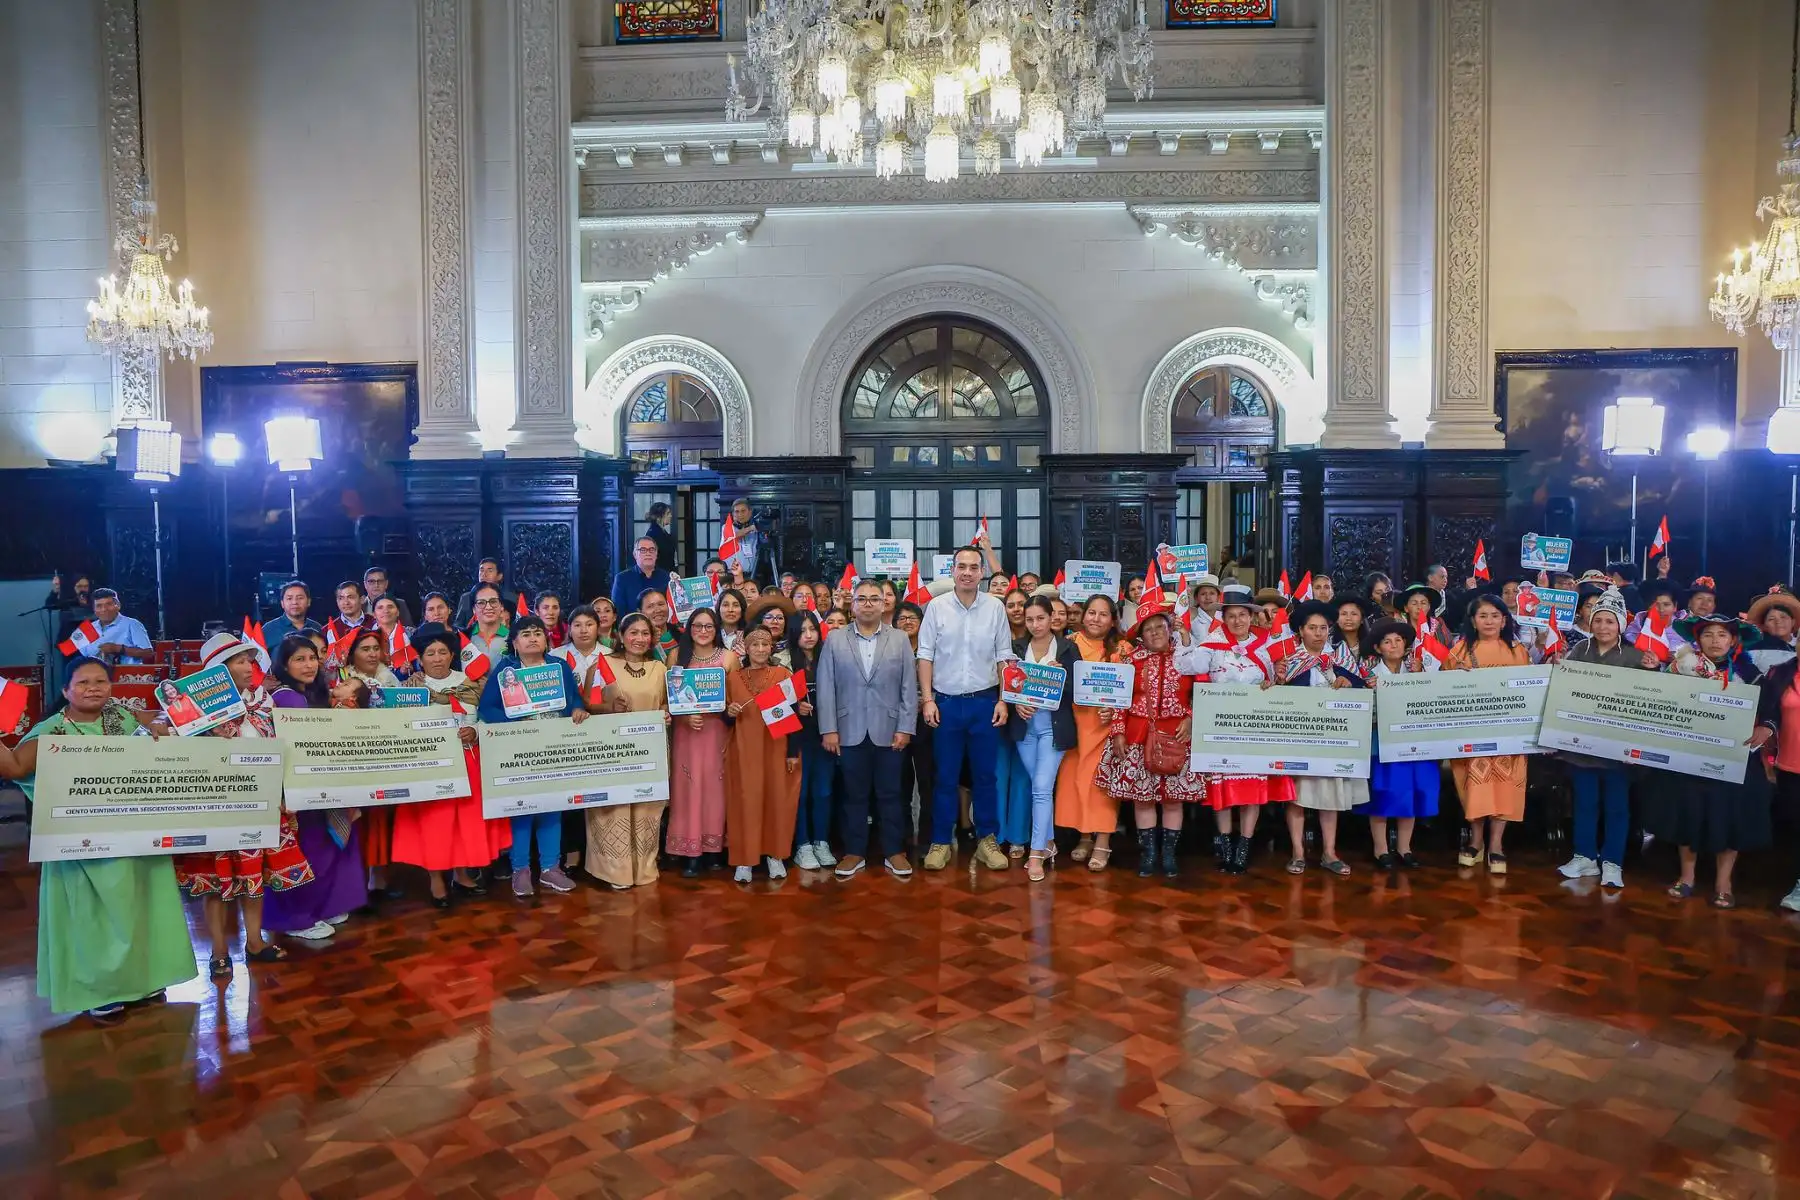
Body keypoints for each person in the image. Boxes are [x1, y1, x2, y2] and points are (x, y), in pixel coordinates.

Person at [0, 658, 195, 1019]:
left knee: (143, 906)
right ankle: (100, 990)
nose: (93, 688)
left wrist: (158, 726)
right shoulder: (52, 730)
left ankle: (145, 980)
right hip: (83, 843)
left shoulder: (121, 717)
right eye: (84, 682)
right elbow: (13, 767)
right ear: (66, 691)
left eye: (101, 681)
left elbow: (162, 726)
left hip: (136, 835)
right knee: (93, 917)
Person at [172, 633, 311, 976]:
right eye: (240, 661)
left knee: (254, 876)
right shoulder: (193, 707)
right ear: (218, 671)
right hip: (217, 803)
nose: (250, 667)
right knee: (217, 882)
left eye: (250, 660)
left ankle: (254, 941)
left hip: (261, 800)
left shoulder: (264, 700)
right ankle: (219, 951)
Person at [1640, 613, 1771, 908]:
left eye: (1722, 635)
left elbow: (1771, 708)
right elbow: (1656, 701)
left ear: (1733, 640)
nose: (1715, 641)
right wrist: (1649, 674)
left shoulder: (1751, 675)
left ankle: (1723, 882)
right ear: (1697, 640)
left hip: (1733, 757)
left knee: (1729, 817)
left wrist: (1767, 726)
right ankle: (1687, 876)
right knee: (1687, 812)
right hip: (1689, 756)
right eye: (1708, 634)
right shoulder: (1679, 670)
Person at [1176, 583, 1294, 873]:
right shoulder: (1212, 644)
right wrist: (1184, 638)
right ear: (1224, 617)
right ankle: (1225, 844)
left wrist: (1275, 681)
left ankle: (1245, 845)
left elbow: (1282, 675)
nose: (1237, 621)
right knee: (1224, 787)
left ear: (1251, 616)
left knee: (1251, 787)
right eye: (1231, 615)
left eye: (1243, 615)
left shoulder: (1266, 644)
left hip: (1255, 726)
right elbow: (1184, 667)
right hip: (1220, 727)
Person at [390, 623, 508, 906]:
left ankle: (461, 873)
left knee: (464, 822)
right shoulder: (410, 688)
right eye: (430, 653)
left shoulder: (472, 682)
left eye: (443, 652)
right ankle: (435, 880)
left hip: (469, 760)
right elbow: (397, 726)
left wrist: (475, 731)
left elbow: (490, 715)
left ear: (452, 655)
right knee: (436, 823)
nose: (437, 658)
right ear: (420, 658)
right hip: (429, 764)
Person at [261, 635, 370, 941]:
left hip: (317, 785)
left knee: (323, 849)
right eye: (299, 659)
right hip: (298, 790)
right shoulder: (288, 698)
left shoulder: (309, 693)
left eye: (312, 658)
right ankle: (297, 917)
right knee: (306, 853)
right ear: (284, 664)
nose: (309, 665)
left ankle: (319, 907)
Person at [916, 546, 1014, 873]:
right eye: (962, 566)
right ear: (953, 570)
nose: (968, 572)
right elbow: (925, 655)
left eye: (974, 567)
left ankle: (988, 839)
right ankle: (941, 841)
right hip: (945, 703)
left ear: (983, 572)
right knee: (944, 776)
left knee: (986, 776)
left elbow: (1004, 657)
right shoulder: (937, 608)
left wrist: (1003, 699)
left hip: (986, 702)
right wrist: (928, 699)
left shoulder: (995, 608)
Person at [1553, 588, 1657, 890]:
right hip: (1582, 745)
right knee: (1584, 803)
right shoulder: (1579, 651)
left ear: (1620, 626)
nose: (1603, 627)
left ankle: (1612, 861)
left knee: (1616, 807)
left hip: (1618, 748)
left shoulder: (1637, 656)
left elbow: (1649, 700)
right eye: (1598, 620)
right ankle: (1584, 856)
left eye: (1610, 622)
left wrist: (1654, 671)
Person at [816, 579, 920, 879]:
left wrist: (905, 728)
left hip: (889, 730)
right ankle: (854, 852)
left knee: (891, 793)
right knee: (853, 794)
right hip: (848, 730)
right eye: (862, 599)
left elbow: (907, 688)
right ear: (852, 604)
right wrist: (829, 729)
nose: (868, 604)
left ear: (884, 603)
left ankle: (894, 852)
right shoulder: (835, 640)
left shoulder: (899, 639)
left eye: (875, 599)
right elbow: (825, 688)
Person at [477, 614, 587, 897]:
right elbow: (487, 709)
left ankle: (551, 867)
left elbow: (575, 698)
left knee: (552, 807)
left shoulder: (558, 666)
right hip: (519, 748)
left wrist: (576, 709)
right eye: (525, 634)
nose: (532, 638)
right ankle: (521, 869)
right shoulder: (505, 670)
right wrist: (514, 723)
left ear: (546, 638)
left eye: (537, 632)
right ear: (514, 642)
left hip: (554, 747)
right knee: (522, 810)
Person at [1098, 602, 1206, 879]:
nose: (1156, 632)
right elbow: (1119, 700)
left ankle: (1168, 854)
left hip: (1177, 735)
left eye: (1161, 626)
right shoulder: (1131, 661)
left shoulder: (1188, 658)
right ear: (1141, 635)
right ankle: (1148, 853)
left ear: (1170, 629)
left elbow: (1203, 693)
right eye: (1149, 629)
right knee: (1142, 799)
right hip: (1138, 734)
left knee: (1172, 799)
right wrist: (1118, 731)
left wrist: (1192, 717)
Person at [1271, 600, 1367, 876]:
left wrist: (1348, 683)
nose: (1318, 633)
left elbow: (1360, 686)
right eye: (1312, 628)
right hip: (1298, 737)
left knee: (1330, 795)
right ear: (1300, 630)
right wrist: (1277, 681)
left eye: (1323, 628)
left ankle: (1329, 852)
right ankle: (1298, 853)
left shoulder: (1341, 656)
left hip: (1333, 739)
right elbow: (1276, 695)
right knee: (1298, 796)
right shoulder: (1289, 659)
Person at [1446, 595, 1532, 874]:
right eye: (1483, 615)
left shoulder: (1518, 651)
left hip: (1509, 736)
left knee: (1505, 788)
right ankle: (1476, 841)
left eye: (1495, 615)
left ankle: (1496, 844)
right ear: (1473, 620)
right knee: (1475, 788)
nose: (1489, 621)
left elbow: (1529, 691)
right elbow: (1445, 691)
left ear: (1504, 619)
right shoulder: (1458, 651)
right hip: (1471, 734)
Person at [587, 613, 669, 890]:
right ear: (621, 636)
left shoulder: (660, 667)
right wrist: (608, 708)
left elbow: (669, 704)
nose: (639, 639)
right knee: (616, 808)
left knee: (647, 810)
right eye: (633, 633)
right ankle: (615, 871)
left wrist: (667, 713)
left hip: (650, 751)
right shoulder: (603, 665)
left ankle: (644, 868)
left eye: (645, 633)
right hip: (613, 752)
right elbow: (587, 705)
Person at [1003, 597, 1078, 881]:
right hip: (1025, 730)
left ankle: (1036, 854)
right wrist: (1016, 703)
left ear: (1051, 618)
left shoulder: (1069, 648)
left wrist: (1061, 677)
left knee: (1042, 788)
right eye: (1030, 619)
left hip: (1053, 730)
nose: (1035, 625)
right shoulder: (1016, 648)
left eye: (1040, 618)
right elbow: (1006, 685)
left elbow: (1078, 690)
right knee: (1038, 786)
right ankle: (1048, 843)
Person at [1356, 618, 1439, 868]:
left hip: (1413, 742)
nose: (1394, 645)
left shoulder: (1420, 674)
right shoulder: (1367, 676)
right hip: (1379, 742)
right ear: (1378, 648)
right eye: (1387, 642)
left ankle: (1405, 848)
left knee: (1410, 793)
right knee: (1382, 794)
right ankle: (1380, 849)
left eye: (1399, 640)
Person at [725, 625, 803, 881]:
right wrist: (729, 712)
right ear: (746, 649)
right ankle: (744, 860)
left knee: (777, 800)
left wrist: (793, 752)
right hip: (744, 750)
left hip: (776, 748)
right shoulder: (734, 678)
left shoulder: (782, 674)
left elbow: (794, 715)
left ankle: (776, 856)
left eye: (764, 645)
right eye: (754, 645)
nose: (759, 649)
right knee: (745, 801)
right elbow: (724, 717)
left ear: (771, 648)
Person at [667, 608, 735, 876]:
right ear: (689, 628)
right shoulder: (676, 656)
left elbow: (733, 699)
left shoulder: (730, 658)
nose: (703, 631)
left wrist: (726, 710)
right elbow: (669, 700)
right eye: (698, 626)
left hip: (717, 732)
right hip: (687, 734)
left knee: (715, 790)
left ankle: (713, 848)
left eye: (709, 626)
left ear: (716, 629)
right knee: (687, 789)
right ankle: (689, 851)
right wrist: (684, 718)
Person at [1058, 595, 1124, 870]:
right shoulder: (1067, 644)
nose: (1096, 619)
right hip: (1073, 723)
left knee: (1100, 786)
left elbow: (1129, 691)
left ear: (1113, 620)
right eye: (1091, 613)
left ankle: (1103, 841)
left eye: (1103, 614)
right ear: (1082, 615)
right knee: (1074, 782)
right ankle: (1084, 837)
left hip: (1105, 726)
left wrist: (1116, 712)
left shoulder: (1123, 648)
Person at [783, 608, 837, 870]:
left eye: (813, 629)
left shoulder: (830, 656)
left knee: (824, 792)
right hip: (796, 738)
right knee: (800, 794)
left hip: (825, 735)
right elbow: (774, 707)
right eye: (802, 631)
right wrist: (795, 707)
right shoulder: (782, 662)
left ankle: (821, 841)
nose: (809, 635)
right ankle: (802, 845)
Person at [80, 588, 153, 665]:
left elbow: (148, 653)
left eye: (108, 604)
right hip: (95, 674)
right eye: (99, 606)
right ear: (94, 610)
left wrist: (118, 648)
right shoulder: (86, 628)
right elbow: (77, 656)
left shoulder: (132, 624)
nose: (104, 609)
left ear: (118, 605)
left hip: (127, 674)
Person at [610, 537, 673, 623]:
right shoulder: (622, 578)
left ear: (656, 554)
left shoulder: (667, 577)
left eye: (652, 550)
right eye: (643, 550)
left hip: (663, 630)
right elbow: (618, 612)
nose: (648, 553)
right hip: (633, 630)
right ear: (635, 554)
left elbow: (672, 609)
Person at [726, 498, 780, 587]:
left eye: (743, 511)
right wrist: (751, 528)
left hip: (753, 575)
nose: (740, 514)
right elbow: (733, 536)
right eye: (737, 511)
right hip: (732, 575)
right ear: (733, 514)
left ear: (750, 512)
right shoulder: (726, 528)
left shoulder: (758, 528)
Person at [551, 604, 607, 688]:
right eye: (577, 625)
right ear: (569, 630)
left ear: (598, 628)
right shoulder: (555, 657)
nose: (583, 631)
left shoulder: (610, 655)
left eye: (589, 625)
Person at [1747, 588, 1800, 673]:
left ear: (1793, 622)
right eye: (1771, 619)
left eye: (1783, 617)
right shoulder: (1753, 650)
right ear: (1764, 626)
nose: (1778, 622)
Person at [455, 558, 519, 628]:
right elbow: (458, 624)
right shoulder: (467, 597)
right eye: (481, 570)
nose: (484, 574)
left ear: (499, 576)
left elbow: (517, 624)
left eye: (490, 571)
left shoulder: (511, 598)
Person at [463, 582, 510, 673]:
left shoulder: (514, 638)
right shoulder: (463, 638)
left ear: (501, 606)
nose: (488, 607)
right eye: (481, 603)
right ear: (473, 609)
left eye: (493, 601)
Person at [644, 501, 677, 574]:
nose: (671, 516)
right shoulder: (653, 534)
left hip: (667, 572)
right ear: (659, 517)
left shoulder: (662, 532)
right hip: (659, 574)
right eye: (668, 513)